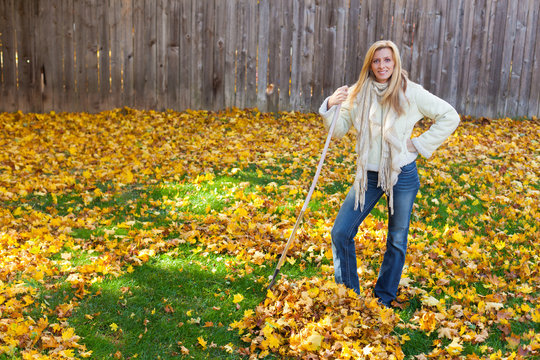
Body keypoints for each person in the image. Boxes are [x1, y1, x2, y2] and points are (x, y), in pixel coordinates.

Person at [319, 40, 460, 307]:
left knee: (396, 239)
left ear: (395, 63)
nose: (382, 65)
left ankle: (383, 297)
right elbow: (337, 131)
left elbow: (449, 115)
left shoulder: (411, 93)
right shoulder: (359, 93)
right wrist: (330, 105)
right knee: (341, 232)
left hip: (401, 173)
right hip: (368, 177)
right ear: (369, 64)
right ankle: (350, 296)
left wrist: (418, 144)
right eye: (376, 60)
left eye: (387, 60)